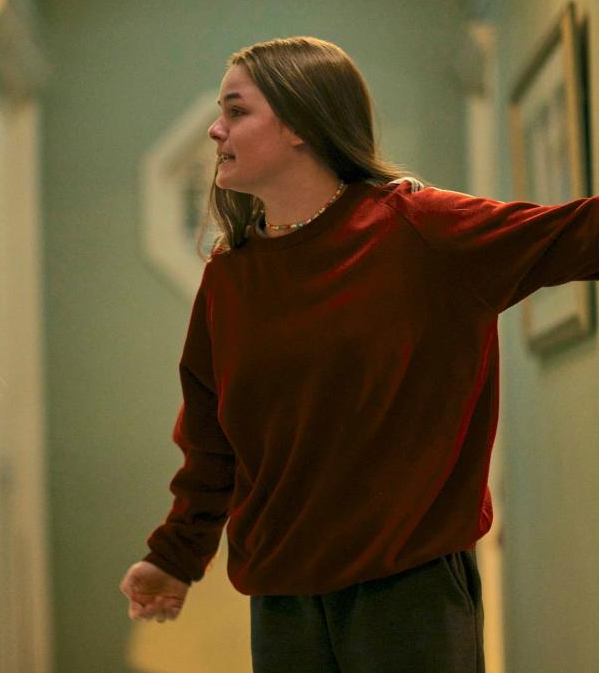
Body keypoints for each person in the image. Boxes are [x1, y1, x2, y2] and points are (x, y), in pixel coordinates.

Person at [120, 36, 599, 672]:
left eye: (236, 111)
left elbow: (579, 235)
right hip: (283, 601)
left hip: (411, 595)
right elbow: (214, 443)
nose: (215, 129)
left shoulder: (420, 230)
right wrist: (176, 555)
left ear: (300, 122)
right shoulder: (229, 278)